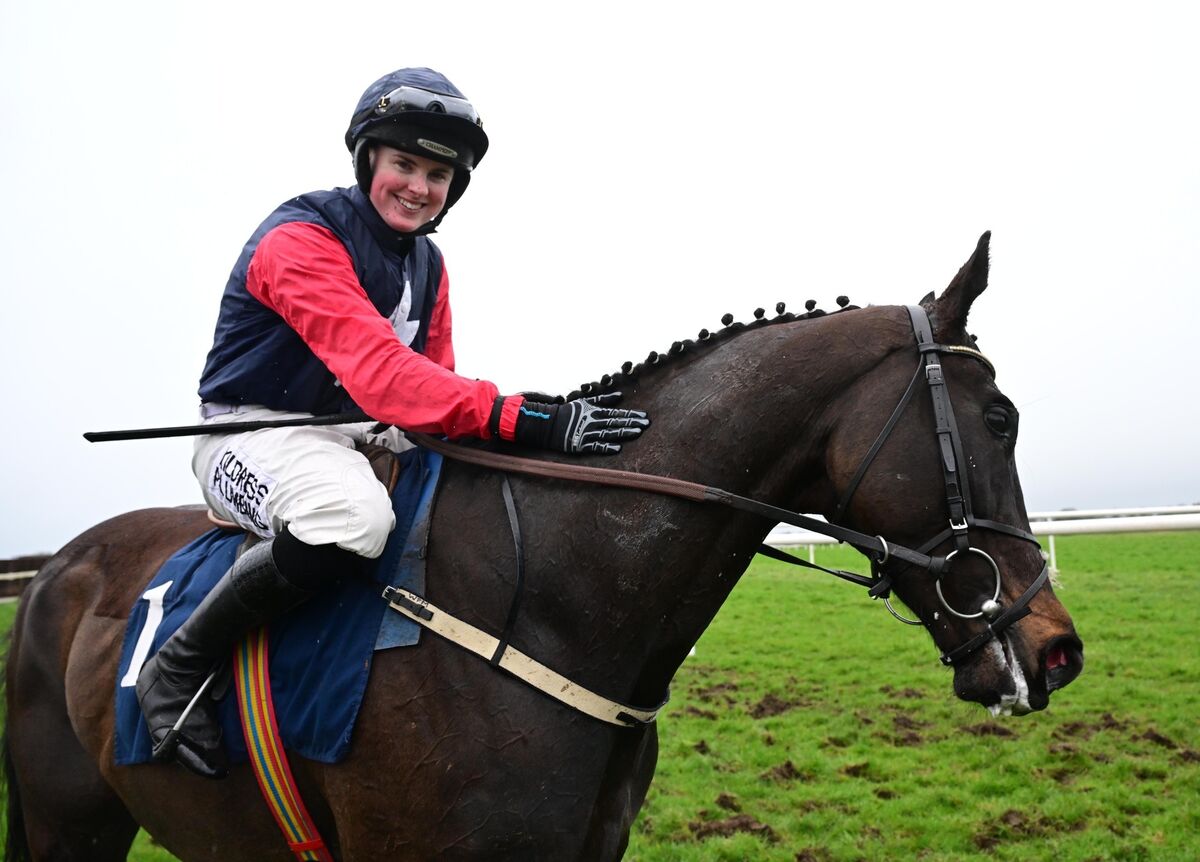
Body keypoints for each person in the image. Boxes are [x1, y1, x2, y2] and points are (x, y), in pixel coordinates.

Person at [136, 67, 650, 779]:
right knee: (352, 518)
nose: (419, 186)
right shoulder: (299, 239)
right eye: (404, 163)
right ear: (367, 160)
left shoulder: (429, 266)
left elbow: (432, 388)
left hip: (364, 430)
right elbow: (382, 375)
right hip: (253, 434)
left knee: (478, 487)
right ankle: (180, 662)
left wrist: (514, 434)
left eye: (438, 174)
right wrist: (523, 416)